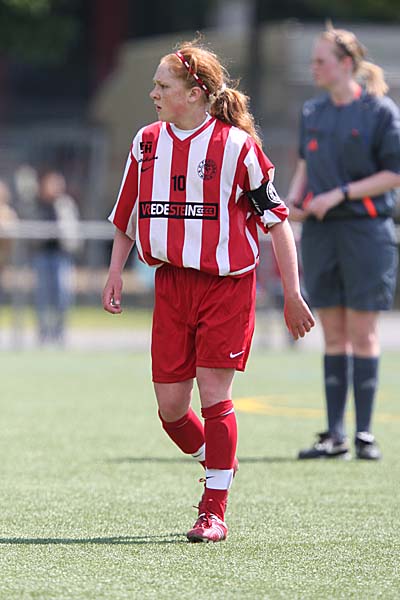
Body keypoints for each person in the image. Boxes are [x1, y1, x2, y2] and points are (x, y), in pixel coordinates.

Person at [102, 38, 315, 543]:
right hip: (171, 285)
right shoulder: (146, 142)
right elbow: (127, 214)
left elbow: (277, 222)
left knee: (214, 394)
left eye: (162, 85)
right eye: (154, 85)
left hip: (226, 287)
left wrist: (292, 293)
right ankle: (220, 461)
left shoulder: (237, 146)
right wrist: (114, 272)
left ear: (194, 93)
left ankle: (214, 509)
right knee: (171, 409)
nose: (153, 93)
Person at [286, 25, 400, 460]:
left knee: (363, 333)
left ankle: (365, 434)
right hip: (321, 234)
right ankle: (335, 436)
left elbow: (394, 173)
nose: (313, 67)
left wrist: (340, 194)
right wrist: (292, 203)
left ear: (346, 64)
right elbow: (304, 164)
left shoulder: (379, 110)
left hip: (365, 233)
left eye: (321, 61)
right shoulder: (312, 111)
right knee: (332, 334)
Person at [32, 169, 81, 346]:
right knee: (43, 296)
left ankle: (59, 333)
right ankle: (44, 333)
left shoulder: (65, 205)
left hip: (62, 255)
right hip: (43, 255)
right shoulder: (37, 204)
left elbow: (73, 230)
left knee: (63, 294)